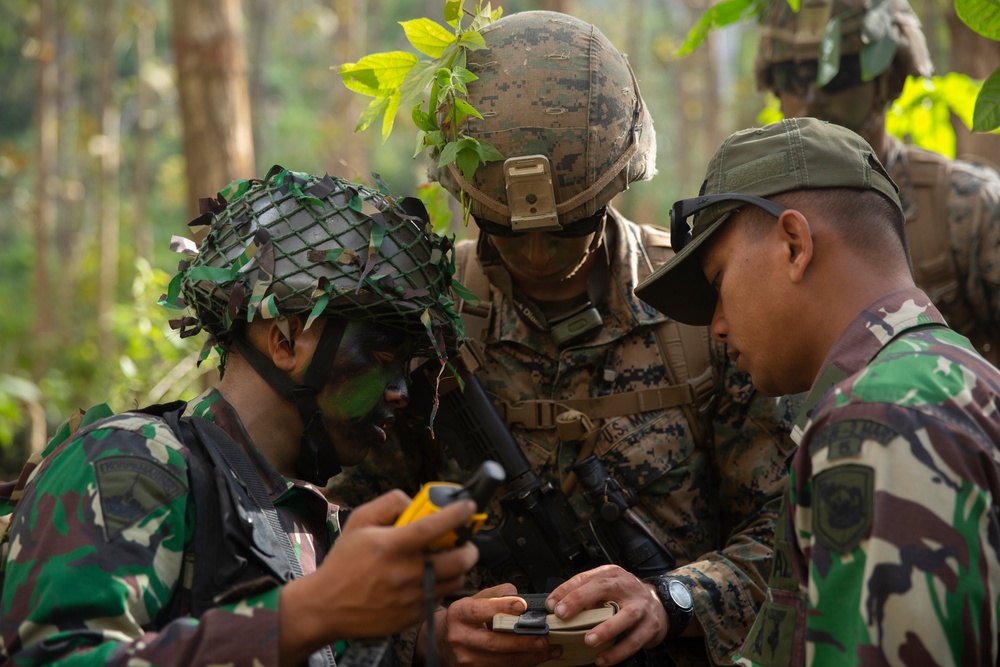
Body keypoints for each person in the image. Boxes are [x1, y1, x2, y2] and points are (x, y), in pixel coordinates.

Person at [328, 11, 799, 667]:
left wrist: (674, 599)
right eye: (509, 229)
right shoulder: (426, 320)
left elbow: (791, 533)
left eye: (571, 225)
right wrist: (426, 635)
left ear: (615, 185)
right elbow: (334, 535)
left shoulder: (703, 309)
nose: (542, 253)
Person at [0, 165, 492, 666]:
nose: (400, 393)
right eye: (383, 357)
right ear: (287, 340)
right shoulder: (134, 462)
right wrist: (310, 613)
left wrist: (433, 643)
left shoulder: (311, 518)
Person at [634, 116, 1000, 665]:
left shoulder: (878, 424)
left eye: (718, 283)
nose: (717, 325)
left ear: (794, 244)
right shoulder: (952, 375)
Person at [755, 0, 1000, 365]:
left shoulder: (966, 208)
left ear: (892, 79)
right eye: (795, 77)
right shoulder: (756, 222)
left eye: (840, 75)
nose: (812, 98)